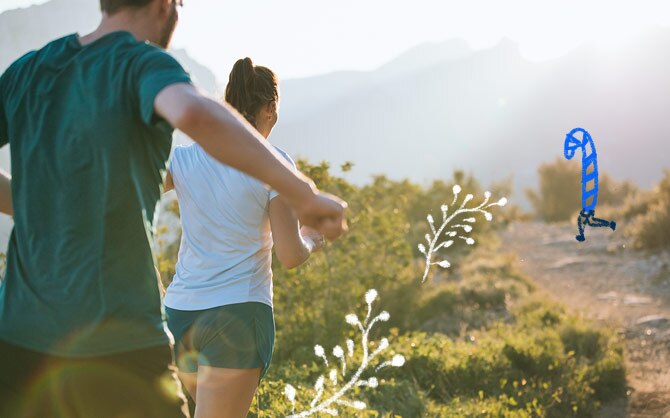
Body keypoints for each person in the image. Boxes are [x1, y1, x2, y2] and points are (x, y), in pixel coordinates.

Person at [0, 0, 347, 416]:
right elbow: (193, 113)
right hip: (118, 331)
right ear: (166, 6)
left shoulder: (28, 69)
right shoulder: (142, 63)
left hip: (18, 332)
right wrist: (302, 193)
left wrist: (34, 205)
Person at [163, 57, 323, 418]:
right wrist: (311, 237)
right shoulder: (275, 165)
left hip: (179, 316)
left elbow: (132, 191)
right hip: (238, 315)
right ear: (269, 108)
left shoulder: (184, 159)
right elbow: (290, 254)